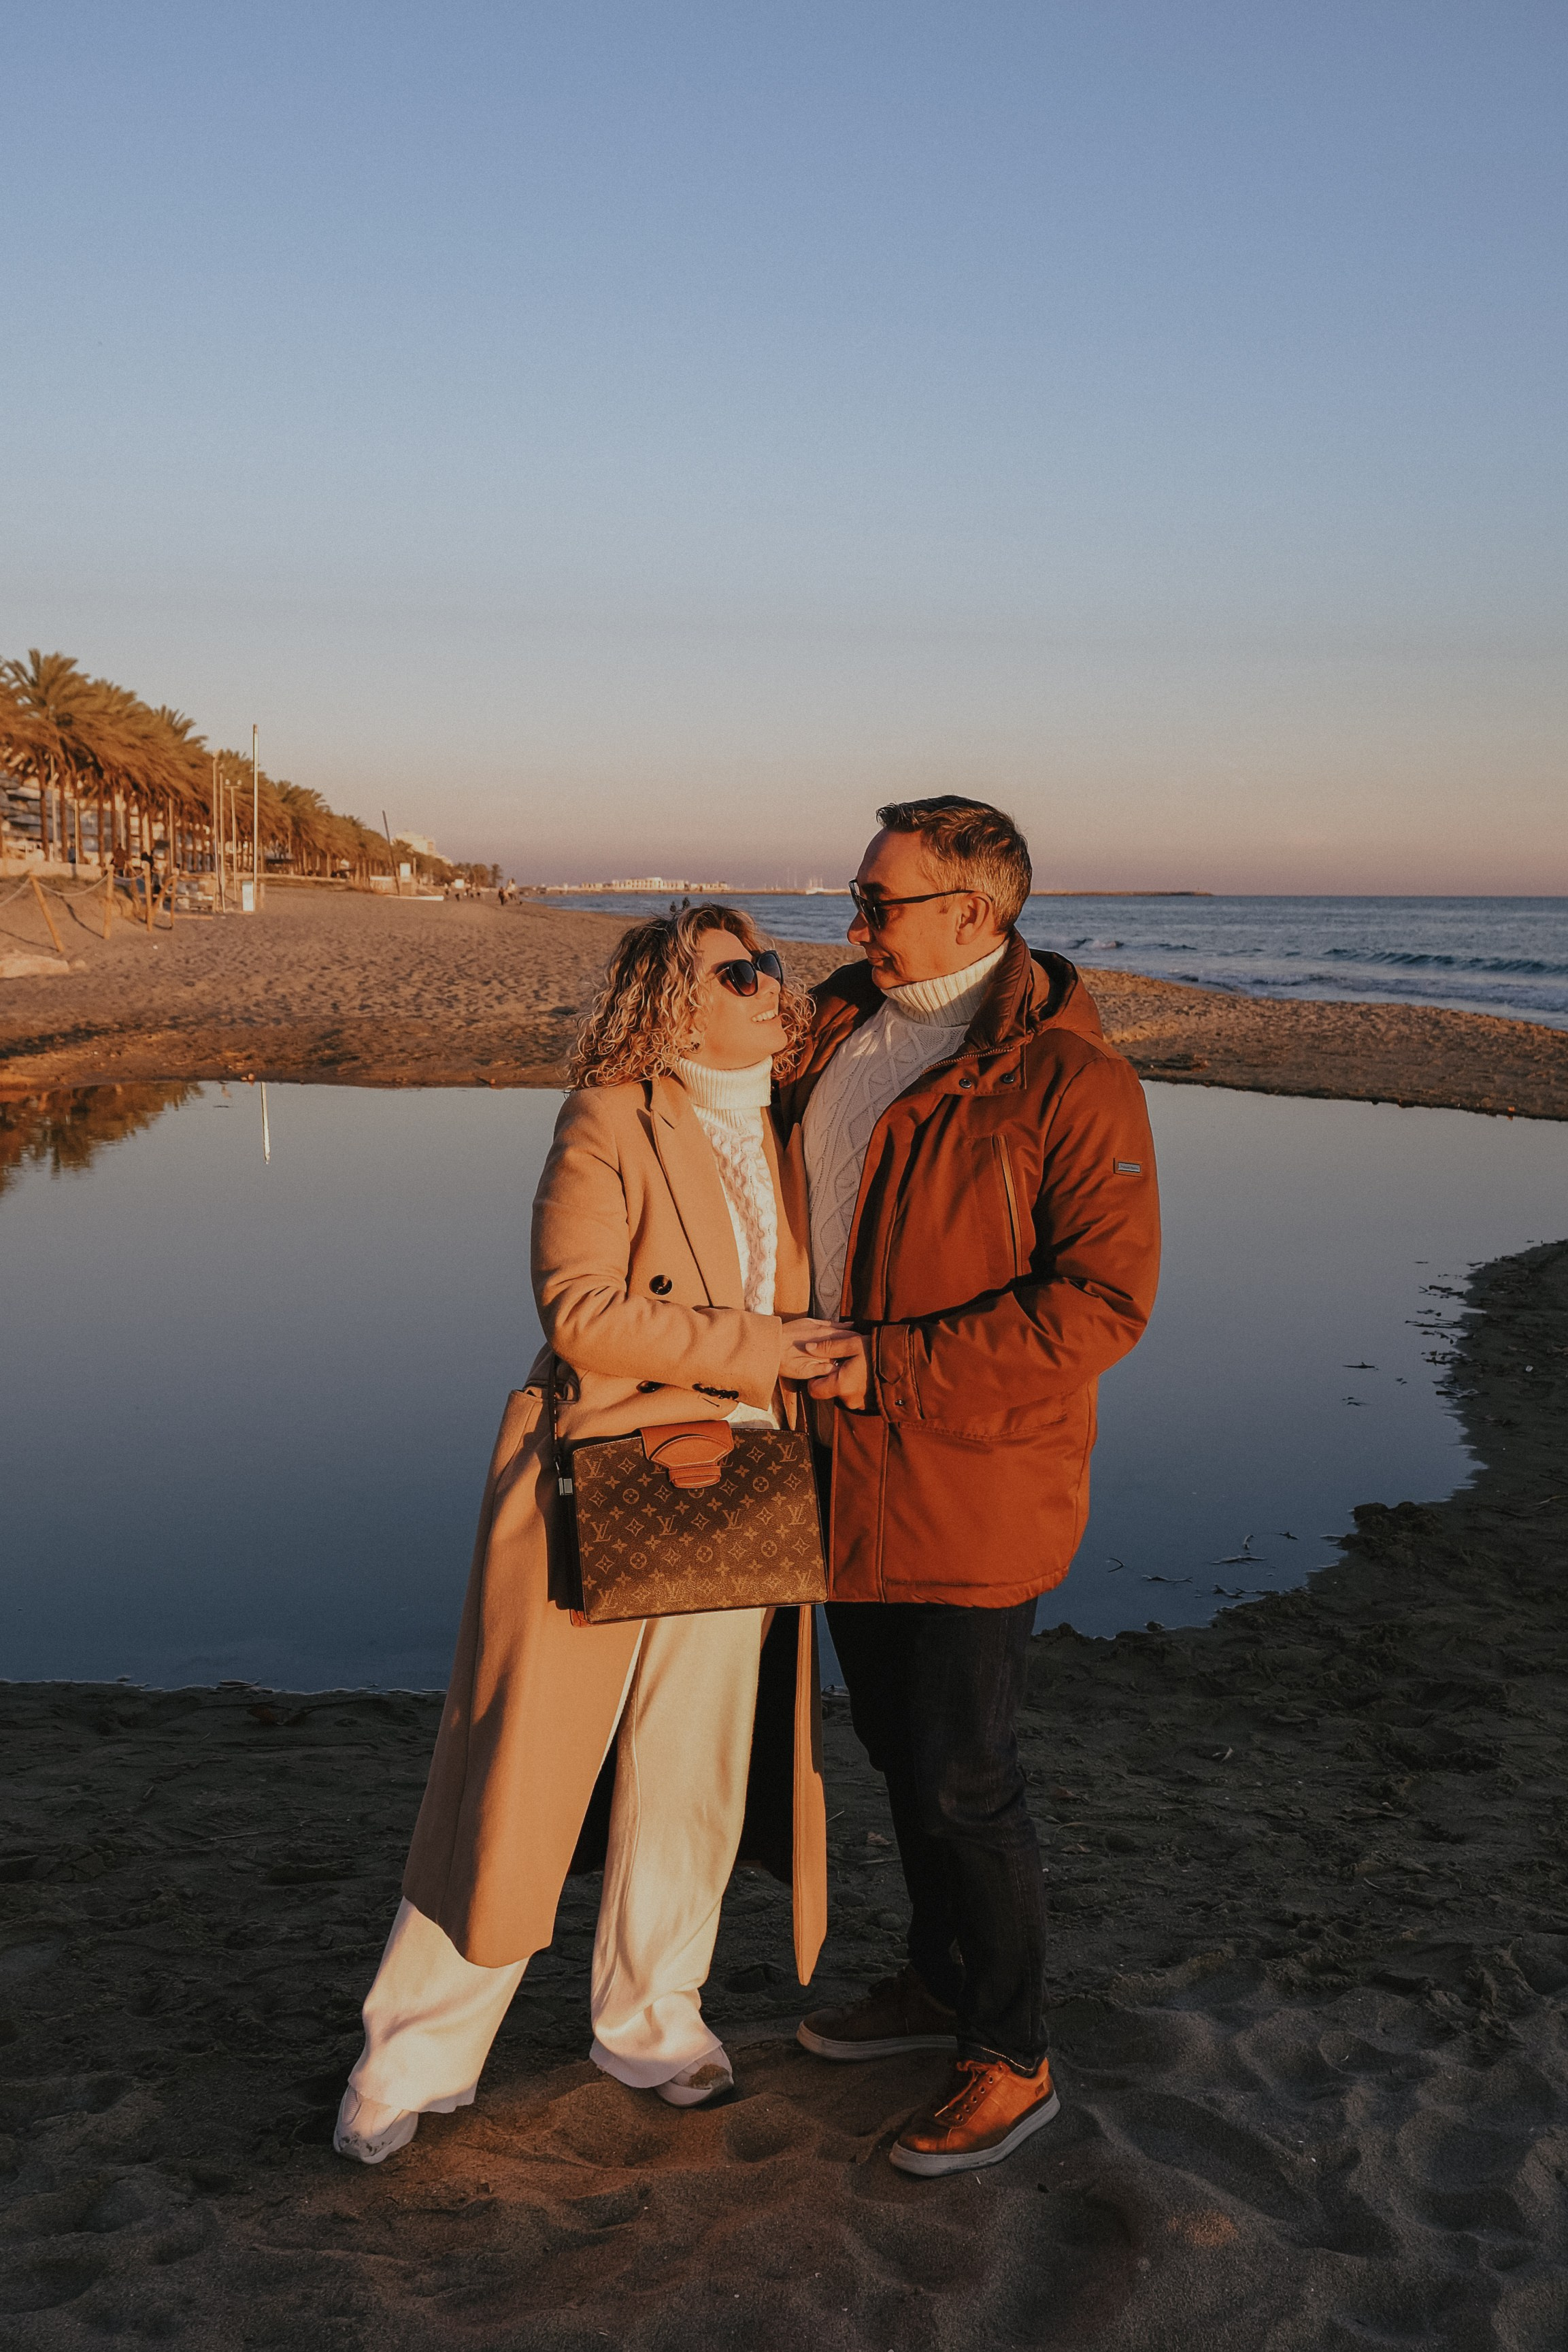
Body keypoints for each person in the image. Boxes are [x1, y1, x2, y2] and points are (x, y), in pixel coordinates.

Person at [335, 907, 846, 2163]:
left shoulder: (787, 1126)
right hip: (606, 1479)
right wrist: (761, 1349)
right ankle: (412, 2056)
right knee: (518, 1776)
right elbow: (580, 1311)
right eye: (742, 969)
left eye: (773, 962)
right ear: (675, 1004)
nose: (773, 982)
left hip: (743, 1486)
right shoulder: (609, 1115)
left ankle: (653, 2016)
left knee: (695, 1772)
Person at [775, 797, 1161, 2178]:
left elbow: (1102, 1305)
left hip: (967, 1476)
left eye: (880, 902)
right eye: (858, 897)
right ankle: (937, 1983)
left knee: (965, 1777)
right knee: (895, 1751)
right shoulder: (832, 1030)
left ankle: (1012, 2055)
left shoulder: (1068, 1080)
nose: (854, 922)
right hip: (830, 1466)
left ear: (977, 913)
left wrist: (884, 1368)